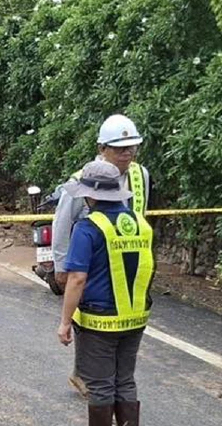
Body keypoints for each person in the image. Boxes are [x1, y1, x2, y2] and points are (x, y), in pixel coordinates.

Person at [52, 114, 150, 397]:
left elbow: (142, 221)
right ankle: (86, 374)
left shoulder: (140, 176)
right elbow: (62, 223)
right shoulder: (81, 180)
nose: (127, 153)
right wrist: (60, 265)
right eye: (120, 148)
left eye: (131, 147)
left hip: (127, 260)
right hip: (90, 259)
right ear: (101, 148)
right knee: (87, 319)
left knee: (121, 327)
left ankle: (103, 382)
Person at [58, 160, 154, 426]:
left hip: (99, 323)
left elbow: (77, 279)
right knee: (125, 381)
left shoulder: (88, 228)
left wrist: (65, 321)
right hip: (135, 320)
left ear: (90, 194)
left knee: (100, 386)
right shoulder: (141, 224)